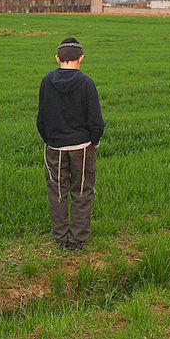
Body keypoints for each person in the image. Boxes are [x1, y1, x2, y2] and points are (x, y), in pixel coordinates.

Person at [37, 38, 104, 250]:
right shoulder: (87, 83)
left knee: (57, 190)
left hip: (55, 146)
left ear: (57, 58)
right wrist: (94, 140)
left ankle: (59, 236)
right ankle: (77, 239)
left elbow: (41, 118)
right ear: (81, 59)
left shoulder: (47, 81)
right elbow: (96, 119)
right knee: (82, 190)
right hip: (82, 147)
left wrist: (48, 139)